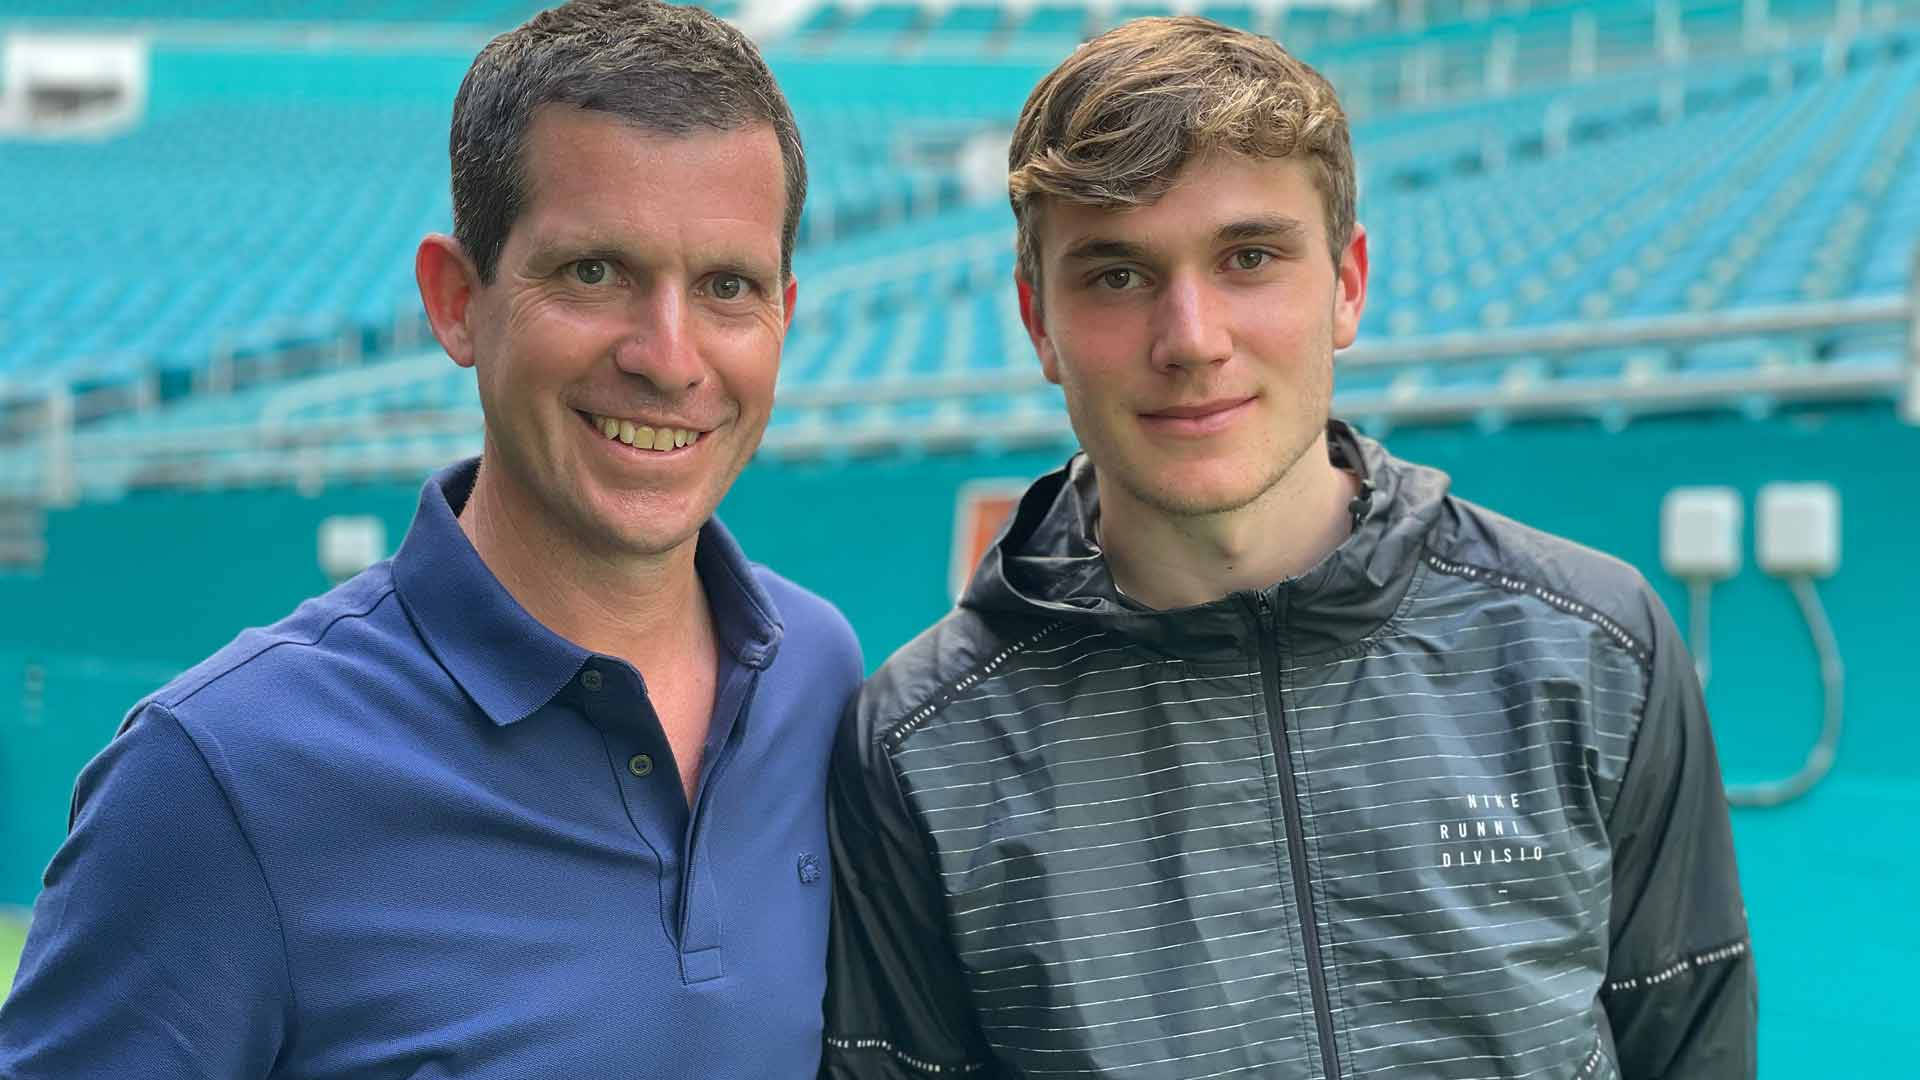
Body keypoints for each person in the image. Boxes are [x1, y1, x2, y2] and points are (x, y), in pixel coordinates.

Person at [820, 15, 1754, 1080]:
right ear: (1040, 321)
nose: (1192, 338)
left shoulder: (1593, 645)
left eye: (1249, 257)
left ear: (1347, 283)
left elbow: (1690, 1046)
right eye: (1117, 276)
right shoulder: (919, 742)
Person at [0, 3, 861, 1076]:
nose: (669, 356)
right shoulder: (219, 779)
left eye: (726, 288)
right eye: (594, 272)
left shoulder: (818, 677)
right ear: (457, 302)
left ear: (785, 313)